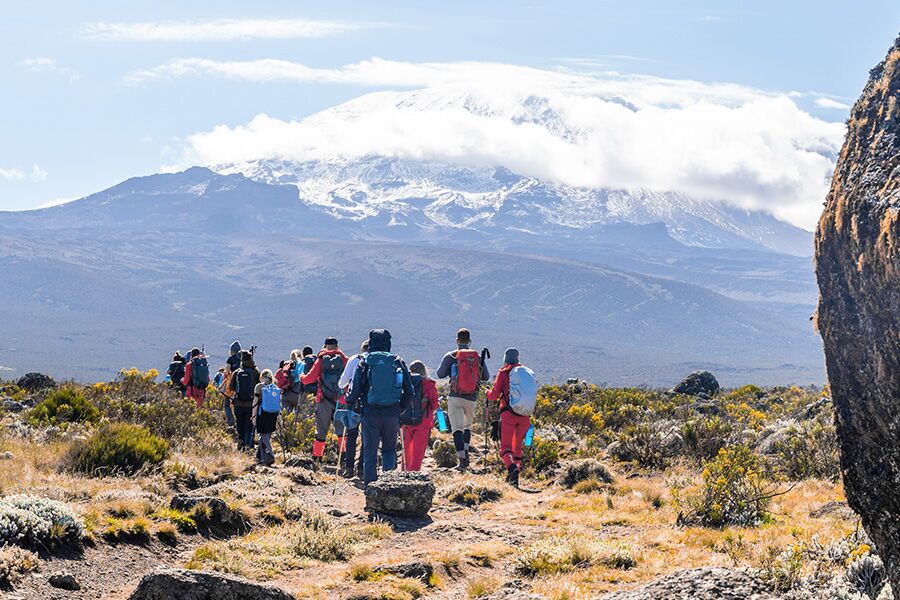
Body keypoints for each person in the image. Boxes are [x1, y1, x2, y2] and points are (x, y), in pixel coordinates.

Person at [347, 329, 414, 485]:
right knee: (389, 450)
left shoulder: (365, 361)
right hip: (392, 413)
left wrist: (350, 402)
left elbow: (355, 389)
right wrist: (400, 407)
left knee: (370, 452)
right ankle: (388, 485)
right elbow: (409, 390)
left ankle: (371, 488)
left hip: (370, 412)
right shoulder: (397, 361)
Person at [436, 328, 490, 470]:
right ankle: (466, 454)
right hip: (471, 397)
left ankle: (462, 461)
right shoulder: (476, 356)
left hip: (455, 396)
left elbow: (440, 374)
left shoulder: (451, 356)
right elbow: (486, 377)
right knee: (467, 428)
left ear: (457, 340)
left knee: (457, 430)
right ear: (470, 341)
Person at [486, 348, 531, 488]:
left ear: (505, 359)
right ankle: (515, 477)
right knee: (517, 447)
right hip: (525, 416)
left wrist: (486, 392)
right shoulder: (526, 373)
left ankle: (511, 468)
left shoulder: (504, 372)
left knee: (505, 447)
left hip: (508, 414)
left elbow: (494, 395)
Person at [300, 338, 348, 461]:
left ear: (326, 346)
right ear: (337, 346)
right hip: (341, 400)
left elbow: (308, 379)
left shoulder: (321, 360)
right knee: (341, 431)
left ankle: (317, 458)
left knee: (321, 430)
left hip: (324, 400)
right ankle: (344, 459)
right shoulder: (344, 360)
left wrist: (301, 376)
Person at [337, 339, 369, 478]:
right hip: (371, 404)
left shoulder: (354, 359)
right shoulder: (376, 361)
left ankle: (349, 467)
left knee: (351, 434)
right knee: (368, 436)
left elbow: (342, 383)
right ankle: (362, 467)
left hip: (353, 402)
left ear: (362, 348)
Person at [402, 361, 439, 471]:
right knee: (418, 452)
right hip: (423, 423)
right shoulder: (429, 384)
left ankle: (403, 474)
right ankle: (414, 474)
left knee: (406, 451)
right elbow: (434, 405)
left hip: (406, 422)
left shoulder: (405, 382)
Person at [230, 350, 260, 451]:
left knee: (240, 426)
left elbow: (232, 387)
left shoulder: (237, 372)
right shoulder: (256, 372)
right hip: (251, 405)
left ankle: (240, 446)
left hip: (238, 404)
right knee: (249, 426)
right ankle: (248, 447)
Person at [253, 369, 278, 466]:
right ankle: (260, 458)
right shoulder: (274, 387)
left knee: (263, 435)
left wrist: (253, 415)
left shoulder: (259, 386)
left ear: (262, 377)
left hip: (262, 413)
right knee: (266, 435)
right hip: (273, 414)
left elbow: (255, 402)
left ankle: (270, 455)